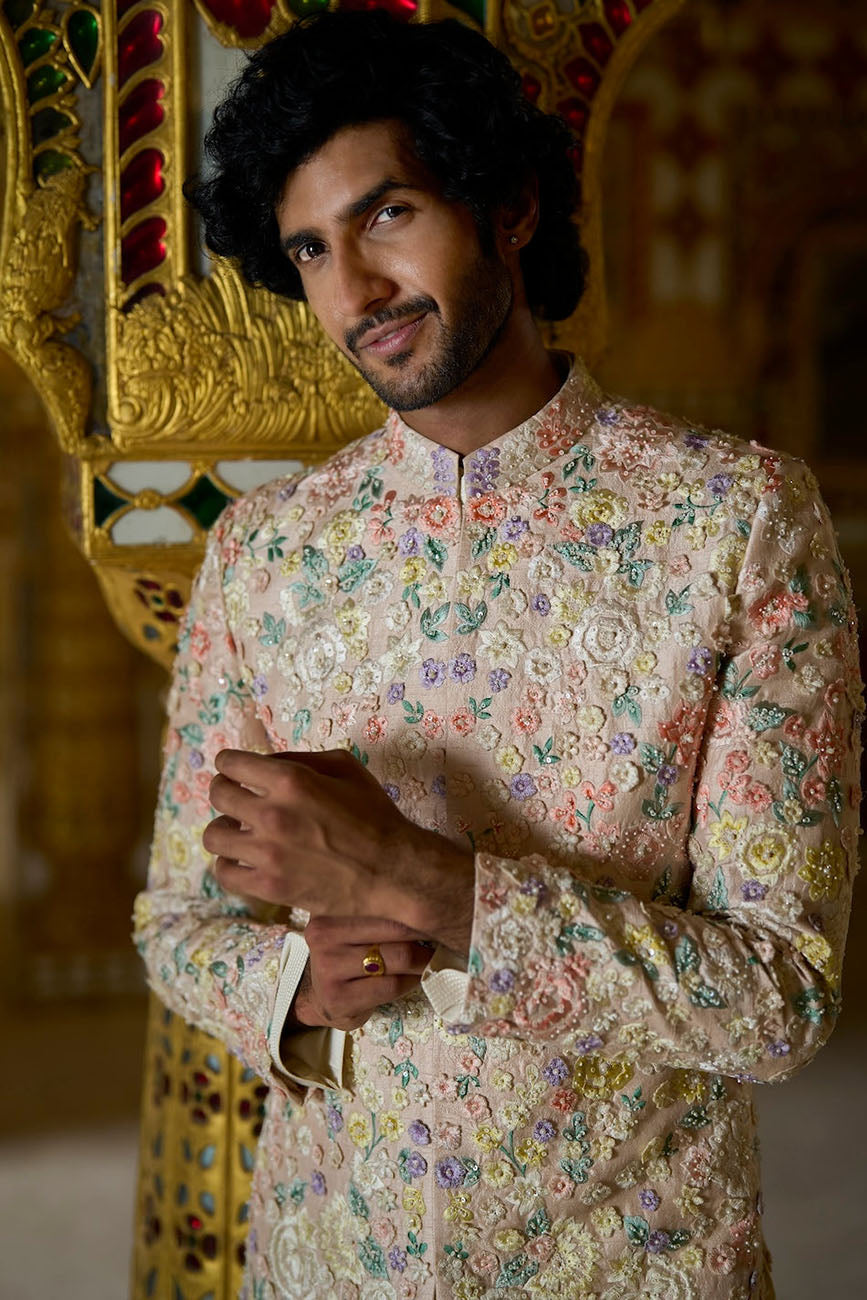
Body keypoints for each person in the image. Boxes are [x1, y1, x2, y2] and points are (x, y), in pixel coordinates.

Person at [133, 11, 863, 1299]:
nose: (352, 292)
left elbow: (780, 998)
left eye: (388, 214)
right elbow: (177, 924)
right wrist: (294, 991)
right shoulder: (265, 556)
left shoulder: (735, 525)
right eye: (310, 248)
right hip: (326, 1267)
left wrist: (424, 882)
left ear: (511, 204)